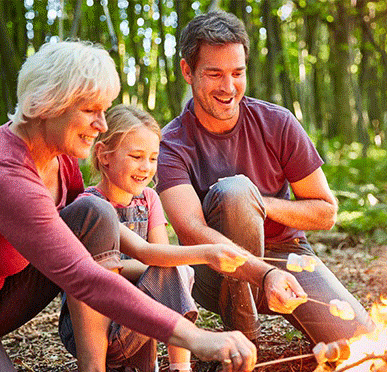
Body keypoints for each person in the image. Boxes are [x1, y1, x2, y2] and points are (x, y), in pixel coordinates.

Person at [0, 40, 255, 372]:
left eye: (103, 110)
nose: (100, 124)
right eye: (90, 110)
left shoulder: (61, 160)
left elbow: (104, 240)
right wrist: (198, 337)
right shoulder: (3, 174)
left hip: (1, 290)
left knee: (95, 213)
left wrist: (199, 259)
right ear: (46, 105)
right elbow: (83, 276)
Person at [157, 10, 372, 351]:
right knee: (236, 191)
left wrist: (260, 208)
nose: (228, 88)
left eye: (237, 73)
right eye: (214, 74)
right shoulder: (171, 144)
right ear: (188, 71)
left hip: (287, 257)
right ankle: (243, 342)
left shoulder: (278, 123)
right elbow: (190, 230)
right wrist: (262, 269)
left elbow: (325, 212)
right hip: (214, 270)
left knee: (361, 339)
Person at [61, 105, 251, 372]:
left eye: (152, 158)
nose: (146, 167)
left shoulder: (149, 199)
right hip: (98, 325)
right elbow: (137, 260)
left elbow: (161, 255)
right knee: (173, 267)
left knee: (174, 268)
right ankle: (112, 371)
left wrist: (173, 265)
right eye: (136, 157)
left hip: (137, 319)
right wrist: (207, 252)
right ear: (104, 155)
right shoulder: (91, 205)